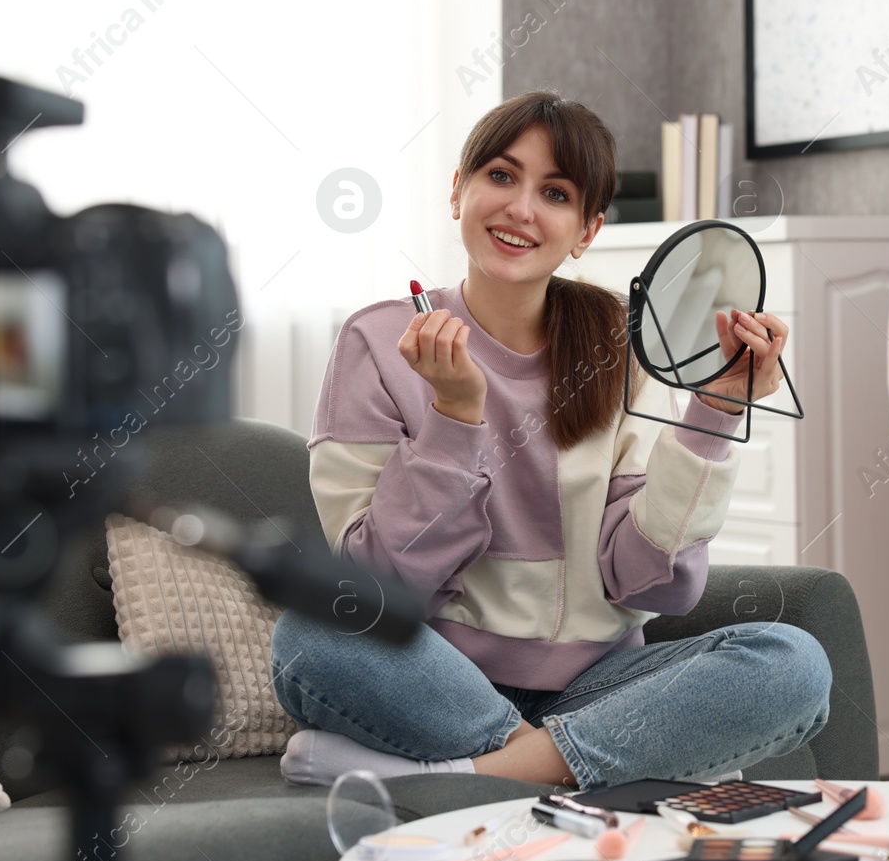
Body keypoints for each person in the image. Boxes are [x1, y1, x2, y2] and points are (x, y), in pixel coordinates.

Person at [270, 89, 831, 790]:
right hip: (437, 679)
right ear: (458, 192)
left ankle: (465, 777)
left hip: (597, 682)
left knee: (793, 660)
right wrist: (454, 414)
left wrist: (714, 412)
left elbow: (647, 577)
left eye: (555, 193)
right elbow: (382, 585)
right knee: (312, 633)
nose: (522, 209)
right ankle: (596, 763)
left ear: (587, 229)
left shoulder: (621, 343)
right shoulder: (380, 340)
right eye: (501, 176)